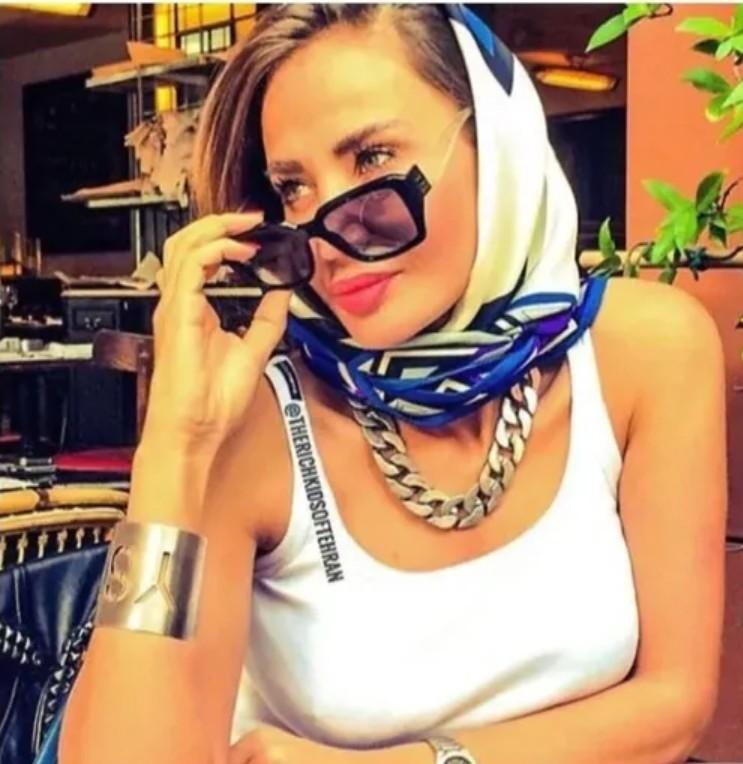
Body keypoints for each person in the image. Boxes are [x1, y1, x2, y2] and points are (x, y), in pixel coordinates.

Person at [59, 5, 727, 764]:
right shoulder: (258, 424)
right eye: (293, 190)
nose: (328, 238)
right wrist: (171, 457)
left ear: (495, 140)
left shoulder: (641, 352)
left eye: (372, 160)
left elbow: (675, 703)